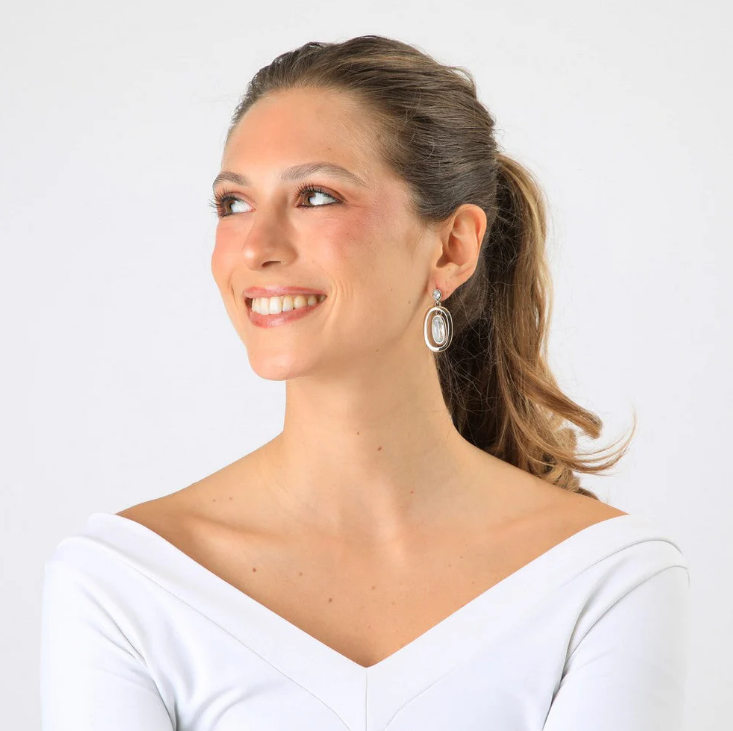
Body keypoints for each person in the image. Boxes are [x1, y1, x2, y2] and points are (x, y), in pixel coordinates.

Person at [40, 35, 690, 730]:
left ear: (452, 247)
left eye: (315, 196)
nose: (256, 247)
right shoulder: (125, 582)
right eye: (233, 204)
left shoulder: (603, 576)